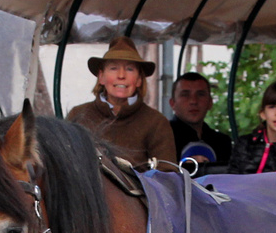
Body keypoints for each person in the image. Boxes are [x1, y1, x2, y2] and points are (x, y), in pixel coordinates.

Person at [66, 37, 176, 166]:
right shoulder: (78, 116)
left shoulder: (156, 122)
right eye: (113, 68)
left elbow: (168, 176)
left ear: (139, 79)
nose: (121, 75)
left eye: (130, 69)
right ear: (101, 77)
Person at [167, 72, 232, 165]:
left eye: (200, 94)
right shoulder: (162, 138)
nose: (193, 101)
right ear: (172, 103)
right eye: (185, 95)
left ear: (210, 102)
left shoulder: (222, 143)